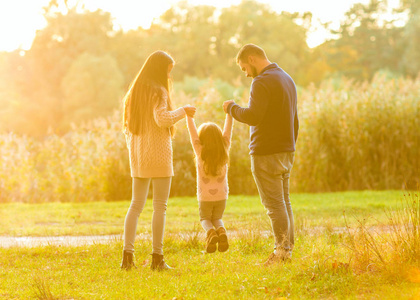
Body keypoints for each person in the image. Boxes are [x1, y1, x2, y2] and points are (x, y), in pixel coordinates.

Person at [223, 44, 299, 265]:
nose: (246, 73)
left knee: (274, 205)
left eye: (245, 67)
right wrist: (290, 145)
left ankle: (281, 252)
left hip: (266, 152)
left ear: (252, 58)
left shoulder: (262, 81)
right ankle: (287, 249)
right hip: (286, 150)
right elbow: (295, 118)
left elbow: (253, 116)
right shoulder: (287, 78)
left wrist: (231, 108)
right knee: (284, 202)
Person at [121, 50, 196, 270]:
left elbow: (127, 129)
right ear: (159, 69)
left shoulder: (133, 93)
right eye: (168, 70)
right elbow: (162, 119)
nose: (169, 76)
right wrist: (184, 111)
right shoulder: (159, 90)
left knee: (135, 205)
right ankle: (157, 258)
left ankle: (127, 257)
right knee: (160, 207)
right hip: (159, 155)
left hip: (138, 156)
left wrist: (135, 153)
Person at [186, 112, 233, 253]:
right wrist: (229, 114)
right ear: (220, 139)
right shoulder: (224, 149)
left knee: (205, 219)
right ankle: (221, 232)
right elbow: (227, 133)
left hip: (205, 196)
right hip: (222, 195)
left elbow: (193, 136)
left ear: (202, 140)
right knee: (217, 218)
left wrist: (189, 117)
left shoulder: (200, 152)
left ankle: (211, 233)